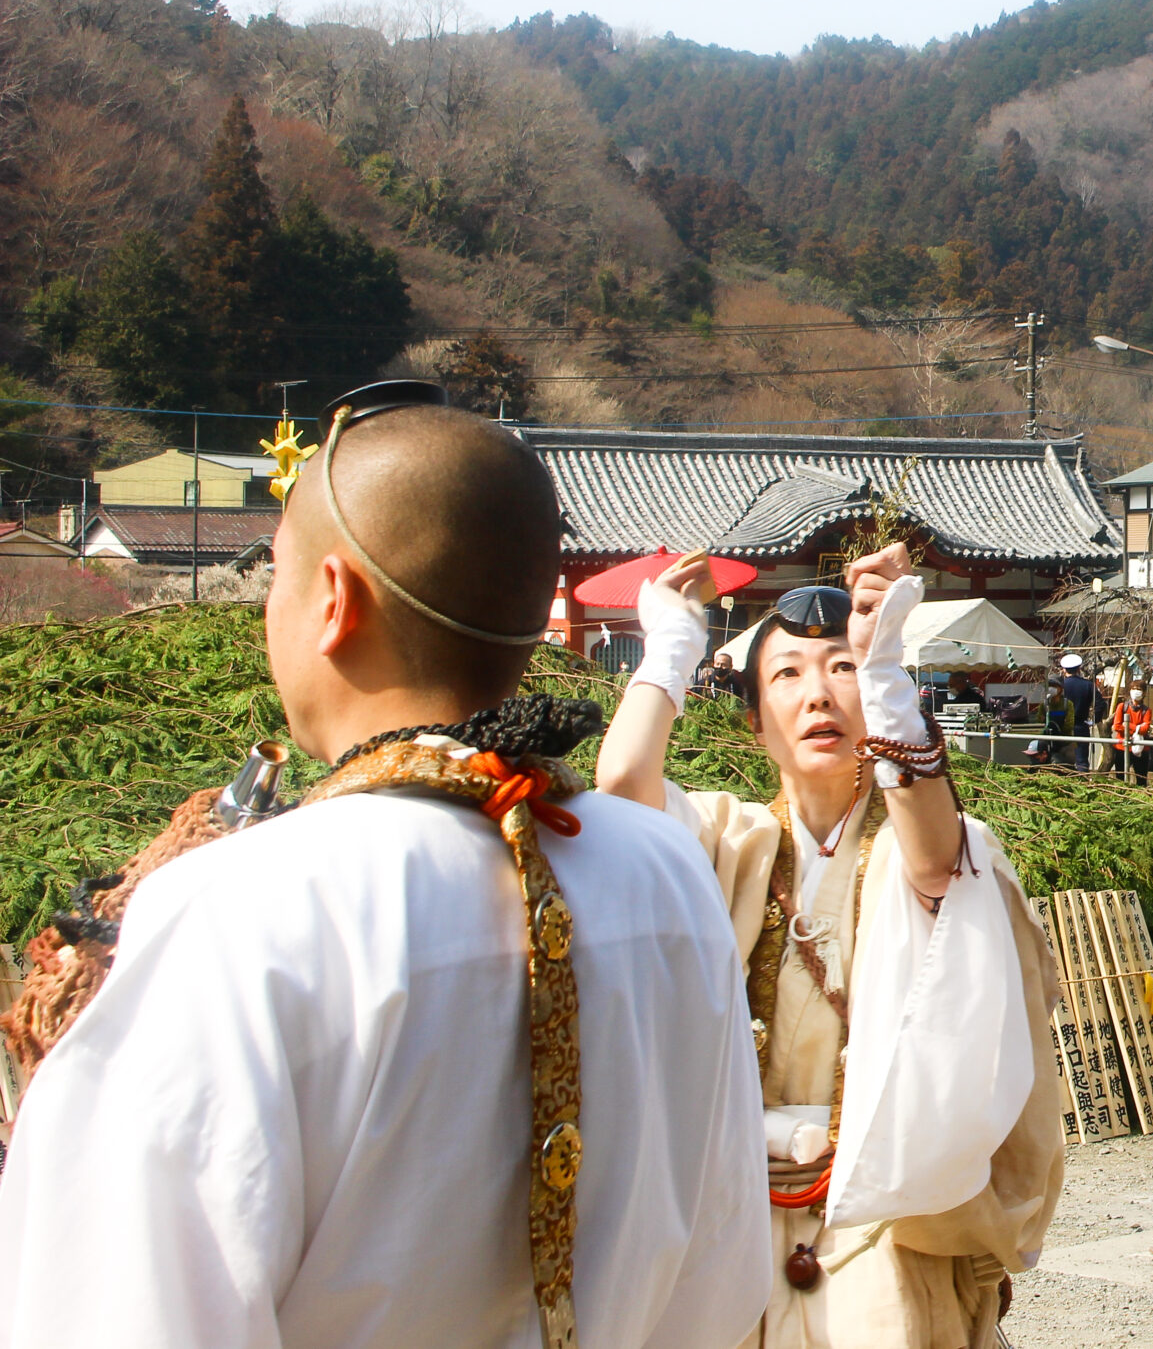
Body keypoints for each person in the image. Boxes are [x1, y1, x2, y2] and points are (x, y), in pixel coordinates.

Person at [0, 382, 767, 1348]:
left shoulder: (238, 912)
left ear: (333, 599)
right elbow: (725, 1277)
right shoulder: (665, 872)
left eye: (274, 576)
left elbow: (120, 1308)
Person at [595, 544, 1064, 1349]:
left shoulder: (936, 844)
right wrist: (672, 646)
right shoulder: (725, 838)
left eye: (841, 668)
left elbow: (929, 857)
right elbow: (623, 789)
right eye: (786, 676)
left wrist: (888, 679)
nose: (817, 693)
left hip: (882, 1227)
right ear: (754, 721)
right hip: (731, 1217)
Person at [1056, 654, 1097, 771]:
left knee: (1061, 758)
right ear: (1079, 669)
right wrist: (1094, 721)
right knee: (1082, 760)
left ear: (1064, 669)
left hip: (1061, 727)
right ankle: (1083, 783)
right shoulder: (1088, 685)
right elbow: (1100, 704)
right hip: (1081, 725)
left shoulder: (1060, 686)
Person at [1110, 682, 1152, 785]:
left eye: (1139, 689)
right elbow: (1117, 726)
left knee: (1141, 779)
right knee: (1120, 778)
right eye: (1134, 689)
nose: (1136, 691)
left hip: (1141, 748)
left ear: (1144, 692)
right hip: (1122, 747)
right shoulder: (1122, 707)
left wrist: (1128, 725)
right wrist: (1138, 728)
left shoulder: (1147, 710)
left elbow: (1145, 729)